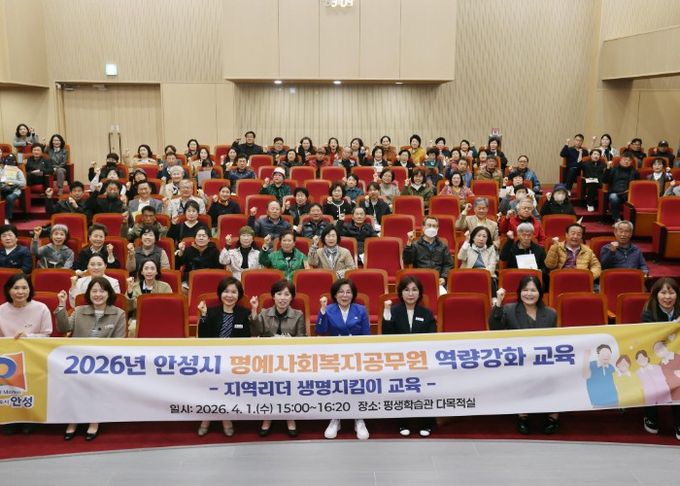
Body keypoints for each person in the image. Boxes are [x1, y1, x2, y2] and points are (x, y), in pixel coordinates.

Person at [57, 277, 126, 441]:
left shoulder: (119, 313)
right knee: (73, 382)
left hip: (104, 361)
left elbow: (119, 343)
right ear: (88, 294)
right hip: (78, 360)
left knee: (96, 382)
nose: (98, 294)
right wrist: (61, 305)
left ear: (109, 294)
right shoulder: (79, 310)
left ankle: (94, 419)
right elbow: (63, 328)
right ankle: (73, 419)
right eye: (94, 291)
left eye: (102, 291)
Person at [490, 276, 559, 434]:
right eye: (525, 290)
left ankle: (553, 417)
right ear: (519, 292)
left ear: (540, 292)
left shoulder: (550, 314)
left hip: (543, 361)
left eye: (533, 290)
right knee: (521, 374)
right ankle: (523, 416)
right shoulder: (509, 310)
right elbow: (494, 328)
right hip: (518, 361)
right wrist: (498, 303)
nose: (529, 294)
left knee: (557, 373)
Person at [382, 275, 437, 437]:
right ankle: (402, 422)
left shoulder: (426, 313)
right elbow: (387, 337)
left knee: (426, 387)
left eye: (414, 290)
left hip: (421, 360)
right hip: (400, 360)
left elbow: (432, 338)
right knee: (401, 389)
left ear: (420, 293)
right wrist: (386, 314)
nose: (411, 294)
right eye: (406, 290)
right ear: (401, 292)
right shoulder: (393, 311)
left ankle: (427, 422)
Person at [249, 279, 306, 437]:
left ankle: (290, 416)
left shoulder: (298, 315)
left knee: (288, 383)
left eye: (287, 294)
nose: (282, 298)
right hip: (267, 359)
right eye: (279, 294)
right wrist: (254, 310)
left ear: (292, 297)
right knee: (268, 382)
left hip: (290, 359)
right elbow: (255, 333)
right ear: (273, 296)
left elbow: (303, 340)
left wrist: (291, 341)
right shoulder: (264, 313)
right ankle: (268, 416)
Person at [196, 276, 251, 437]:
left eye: (234, 292)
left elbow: (246, 340)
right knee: (213, 383)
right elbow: (203, 339)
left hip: (234, 360)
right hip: (213, 358)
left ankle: (208, 419)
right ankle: (224, 419)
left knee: (223, 384)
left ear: (239, 295)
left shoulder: (244, 314)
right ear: (220, 293)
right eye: (226, 291)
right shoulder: (211, 312)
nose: (229, 295)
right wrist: (203, 316)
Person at [316, 278, 371, 440]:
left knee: (357, 384)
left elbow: (367, 336)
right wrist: (322, 311)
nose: (344, 295)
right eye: (341, 292)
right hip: (335, 354)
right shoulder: (329, 309)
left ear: (353, 295)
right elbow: (320, 330)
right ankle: (336, 417)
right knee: (336, 384)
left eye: (348, 292)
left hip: (357, 354)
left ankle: (358, 418)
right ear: (335, 294)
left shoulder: (361, 310)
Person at [640, 278, 680, 440]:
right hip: (654, 358)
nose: (667, 297)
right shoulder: (648, 313)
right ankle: (651, 416)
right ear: (656, 295)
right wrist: (674, 326)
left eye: (671, 292)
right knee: (650, 376)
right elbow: (649, 339)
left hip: (677, 358)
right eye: (663, 293)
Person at [403, 216, 453, 290]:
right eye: (429, 225)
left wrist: (444, 277)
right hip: (419, 281)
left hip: (437, 282)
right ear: (423, 227)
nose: (431, 228)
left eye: (434, 226)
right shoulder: (415, 245)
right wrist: (409, 243)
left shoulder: (443, 246)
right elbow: (407, 261)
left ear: (437, 228)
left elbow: (448, 264)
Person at [125, 259, 172, 331]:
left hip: (159, 318)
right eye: (146, 268)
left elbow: (168, 307)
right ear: (141, 272)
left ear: (157, 272)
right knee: (133, 329)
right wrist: (130, 293)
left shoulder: (165, 287)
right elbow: (128, 308)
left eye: (152, 269)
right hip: (138, 318)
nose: (149, 271)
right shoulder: (133, 286)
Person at [0, 273, 52, 338]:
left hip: (33, 344)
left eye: (24, 288)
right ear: (8, 290)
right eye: (16, 288)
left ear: (30, 289)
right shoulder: (1, 310)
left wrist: (27, 337)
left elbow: (46, 335)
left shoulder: (42, 309)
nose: (20, 292)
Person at [603, 151, 639, 222]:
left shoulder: (634, 172)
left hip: (628, 194)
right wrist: (608, 169)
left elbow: (637, 185)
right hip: (615, 193)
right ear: (620, 160)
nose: (626, 162)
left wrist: (630, 191)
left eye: (629, 160)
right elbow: (605, 181)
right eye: (625, 159)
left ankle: (632, 222)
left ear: (631, 162)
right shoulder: (613, 169)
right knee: (613, 197)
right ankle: (617, 219)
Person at [0, 155, 27, 223]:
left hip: (15, 191)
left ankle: (7, 218)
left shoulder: (18, 171)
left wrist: (12, 181)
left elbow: (23, 183)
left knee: (9, 198)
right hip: (3, 189)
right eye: (8, 160)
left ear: (14, 162)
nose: (9, 162)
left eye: (11, 161)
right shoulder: (2, 170)